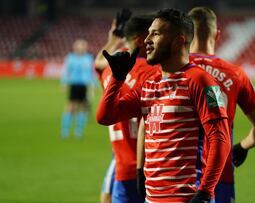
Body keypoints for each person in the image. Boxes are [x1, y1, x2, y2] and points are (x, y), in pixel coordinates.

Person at [97, 8, 231, 203]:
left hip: (187, 197)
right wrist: (117, 80)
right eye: (148, 33)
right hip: (152, 198)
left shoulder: (201, 81)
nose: (147, 40)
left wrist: (206, 191)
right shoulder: (150, 83)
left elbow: (220, 137)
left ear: (179, 40)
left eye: (156, 33)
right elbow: (105, 117)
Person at [188, 7, 255, 203]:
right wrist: (242, 147)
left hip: (177, 172)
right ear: (217, 35)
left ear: (187, 34)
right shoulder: (235, 74)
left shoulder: (172, 70)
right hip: (219, 174)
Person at [94, 13, 160, 203]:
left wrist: (112, 40)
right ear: (141, 39)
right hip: (148, 164)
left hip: (121, 163)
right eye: (152, 35)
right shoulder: (152, 72)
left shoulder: (110, 70)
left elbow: (98, 64)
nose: (153, 40)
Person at [60, 38, 95, 139]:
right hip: (74, 85)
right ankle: (64, 131)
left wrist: (94, 84)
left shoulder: (88, 58)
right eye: (80, 45)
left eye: (83, 45)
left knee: (83, 108)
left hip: (84, 85)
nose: (82, 47)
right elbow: (66, 71)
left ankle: (78, 132)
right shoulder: (70, 58)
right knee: (70, 107)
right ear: (75, 47)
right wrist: (64, 83)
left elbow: (91, 72)